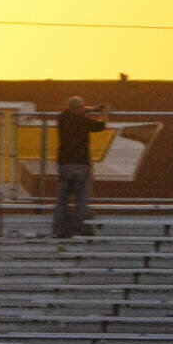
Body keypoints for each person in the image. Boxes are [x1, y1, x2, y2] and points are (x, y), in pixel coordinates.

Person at [52, 96, 107, 238]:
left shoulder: (62, 118)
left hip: (64, 165)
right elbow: (100, 126)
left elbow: (74, 111)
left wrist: (92, 109)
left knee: (62, 200)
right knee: (81, 200)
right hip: (81, 165)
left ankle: (59, 229)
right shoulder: (83, 121)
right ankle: (81, 228)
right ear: (79, 109)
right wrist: (104, 114)